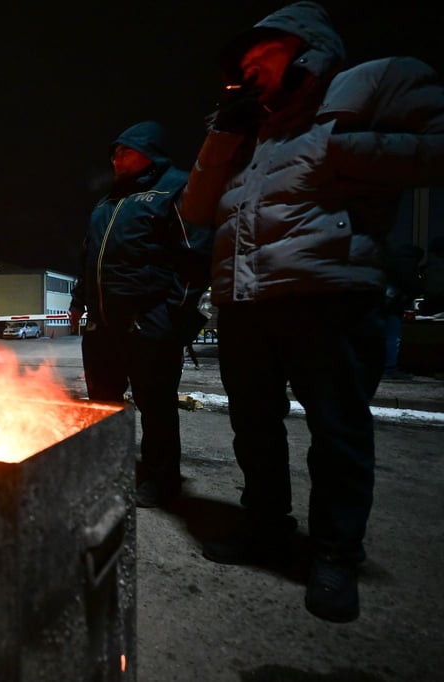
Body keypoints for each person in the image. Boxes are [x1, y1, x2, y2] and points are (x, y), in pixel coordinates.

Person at [180, 1, 444, 622]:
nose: (250, 72)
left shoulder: (369, 84)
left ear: (302, 46)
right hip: (245, 302)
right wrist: (223, 132)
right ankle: (265, 527)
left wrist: (338, 150)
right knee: (256, 427)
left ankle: (334, 554)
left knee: (337, 433)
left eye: (260, 57)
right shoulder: (246, 130)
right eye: (241, 65)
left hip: (329, 293)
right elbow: (195, 209)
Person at [68, 121, 212, 509]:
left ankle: (160, 480)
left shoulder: (175, 190)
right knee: (103, 403)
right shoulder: (107, 203)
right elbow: (89, 257)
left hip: (148, 322)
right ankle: (109, 467)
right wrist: (80, 300)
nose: (116, 158)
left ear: (151, 151)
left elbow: (194, 259)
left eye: (125, 150)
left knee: (156, 405)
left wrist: (171, 318)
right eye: (113, 151)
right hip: (103, 326)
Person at [382, 240, 424, 379]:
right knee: (393, 337)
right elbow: (412, 285)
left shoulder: (391, 261)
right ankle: (389, 369)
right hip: (392, 305)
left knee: (384, 336)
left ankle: (383, 368)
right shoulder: (408, 264)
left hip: (381, 303)